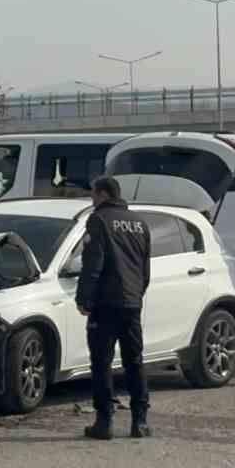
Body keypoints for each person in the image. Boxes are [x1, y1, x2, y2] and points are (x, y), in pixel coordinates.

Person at [76, 176, 152, 441]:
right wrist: (135, 296)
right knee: (135, 361)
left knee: (102, 363)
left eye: (94, 194)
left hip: (105, 304)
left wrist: (83, 299)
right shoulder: (140, 223)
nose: (92, 200)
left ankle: (104, 421)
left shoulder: (98, 220)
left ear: (103, 194)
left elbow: (92, 263)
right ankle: (140, 422)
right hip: (131, 303)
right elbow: (145, 271)